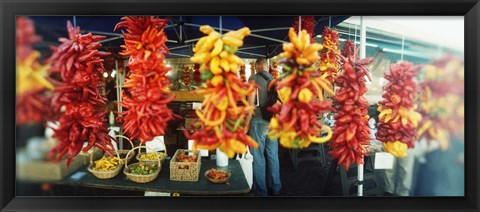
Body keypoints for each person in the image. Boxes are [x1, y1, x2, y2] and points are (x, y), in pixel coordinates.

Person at [245, 57, 282, 196]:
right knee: (273, 155)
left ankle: (261, 191)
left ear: (258, 66)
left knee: (258, 156)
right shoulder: (274, 79)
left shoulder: (253, 78)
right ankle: (276, 187)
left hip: (258, 122)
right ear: (266, 66)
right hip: (273, 122)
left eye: (256, 66)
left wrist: (247, 123)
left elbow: (250, 104)